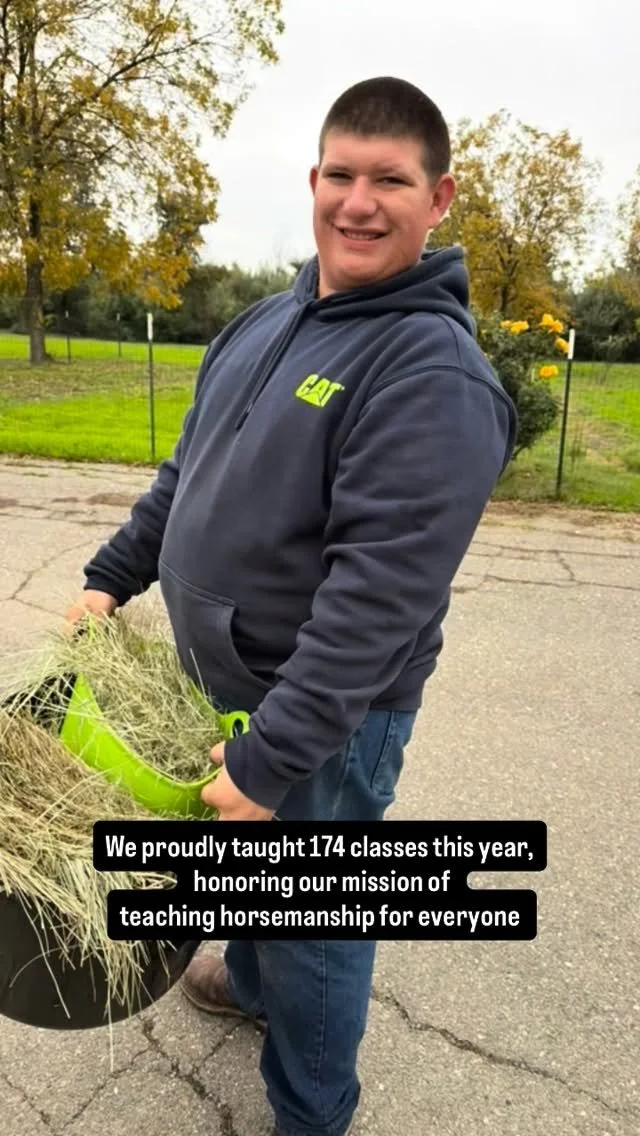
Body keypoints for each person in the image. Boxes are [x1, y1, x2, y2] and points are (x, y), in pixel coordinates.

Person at [66, 77, 516, 1136]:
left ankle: (312, 1111)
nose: (358, 202)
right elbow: (187, 473)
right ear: (313, 180)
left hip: (323, 716)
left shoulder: (431, 371)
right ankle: (248, 980)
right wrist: (112, 572)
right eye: (341, 174)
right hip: (228, 689)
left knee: (315, 920)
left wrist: (273, 754)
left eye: (389, 181)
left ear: (438, 197)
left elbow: (379, 597)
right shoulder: (268, 321)